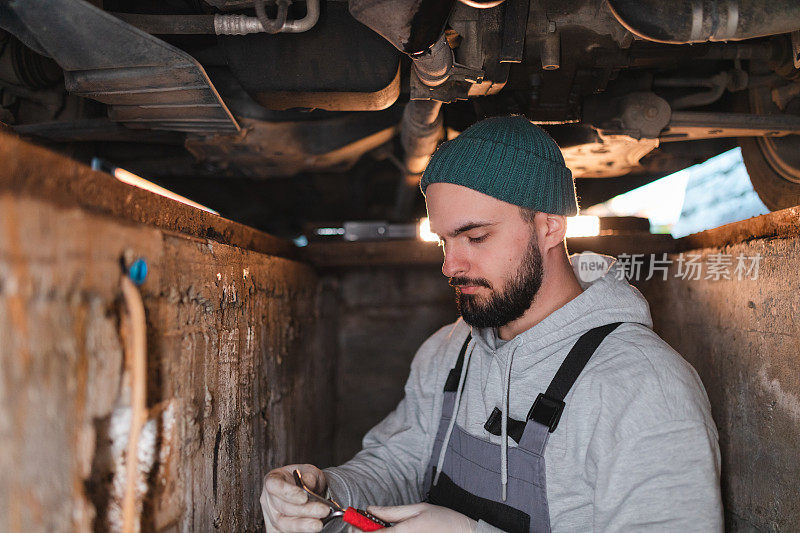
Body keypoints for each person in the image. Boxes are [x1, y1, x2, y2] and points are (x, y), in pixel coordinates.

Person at [260, 115, 723, 532]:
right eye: (443, 241)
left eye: (475, 236)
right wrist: (329, 495)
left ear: (550, 226)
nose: (450, 266)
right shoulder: (447, 350)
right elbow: (401, 462)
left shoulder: (646, 388)